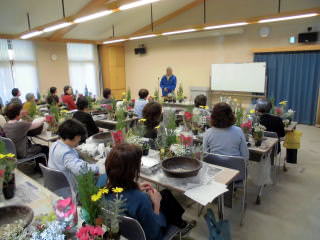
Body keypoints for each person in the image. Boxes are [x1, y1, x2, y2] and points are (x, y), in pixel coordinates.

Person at [97, 143, 195, 240]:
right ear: (131, 170)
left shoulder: (101, 181)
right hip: (149, 235)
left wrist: (135, 187)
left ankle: (180, 223)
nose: (141, 165)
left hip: (121, 229)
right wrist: (157, 205)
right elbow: (153, 235)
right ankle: (179, 226)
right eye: (139, 163)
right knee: (166, 200)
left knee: (166, 194)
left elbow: (121, 194)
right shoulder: (141, 199)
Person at [48, 119, 103, 191]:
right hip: (68, 187)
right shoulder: (66, 154)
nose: (79, 139)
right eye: (78, 137)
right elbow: (81, 169)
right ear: (73, 137)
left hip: (56, 183)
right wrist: (98, 167)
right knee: (101, 177)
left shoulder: (55, 144)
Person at [3, 103, 48, 169]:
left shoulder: (6, 125)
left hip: (13, 152)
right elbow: (35, 123)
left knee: (36, 146)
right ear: (17, 113)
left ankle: (38, 167)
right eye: (21, 110)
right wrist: (44, 118)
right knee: (44, 148)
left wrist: (23, 115)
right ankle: (43, 169)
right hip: (23, 153)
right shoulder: (20, 125)